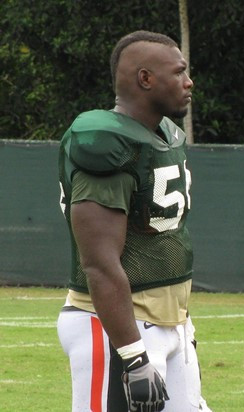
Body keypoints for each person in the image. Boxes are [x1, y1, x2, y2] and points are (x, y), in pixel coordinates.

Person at [57, 30, 212, 412]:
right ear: (145, 79)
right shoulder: (106, 144)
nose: (188, 81)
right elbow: (99, 263)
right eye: (178, 72)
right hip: (116, 326)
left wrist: (178, 323)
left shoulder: (164, 135)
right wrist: (133, 354)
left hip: (169, 321)